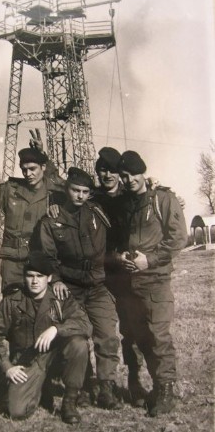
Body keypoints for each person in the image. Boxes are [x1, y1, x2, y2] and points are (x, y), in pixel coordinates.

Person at [39, 167, 122, 410]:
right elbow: (47, 256)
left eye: (85, 191)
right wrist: (56, 280)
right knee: (77, 337)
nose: (80, 196)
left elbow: (119, 196)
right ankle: (83, 388)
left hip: (97, 285)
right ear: (66, 190)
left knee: (107, 334)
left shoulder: (98, 212)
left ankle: (105, 387)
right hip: (70, 287)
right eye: (75, 190)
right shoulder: (52, 219)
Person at [115, 150, 188, 417]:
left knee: (159, 337)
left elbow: (178, 238)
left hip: (155, 280)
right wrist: (120, 255)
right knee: (137, 338)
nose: (129, 179)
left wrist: (151, 260)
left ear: (143, 172)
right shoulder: (124, 204)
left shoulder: (162, 198)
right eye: (124, 175)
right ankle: (152, 387)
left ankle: (166, 391)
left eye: (133, 173)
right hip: (130, 283)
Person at [0, 251, 92, 424]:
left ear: (49, 278)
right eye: (30, 276)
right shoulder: (12, 301)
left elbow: (85, 324)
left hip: (56, 357)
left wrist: (56, 329)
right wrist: (7, 367)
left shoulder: (60, 298)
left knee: (79, 344)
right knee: (17, 411)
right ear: (24, 277)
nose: (34, 281)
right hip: (28, 360)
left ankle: (70, 401)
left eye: (40, 276)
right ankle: (42, 387)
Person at [0, 129, 64, 294]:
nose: (28, 174)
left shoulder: (52, 190)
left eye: (33, 169)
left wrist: (43, 154)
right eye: (24, 169)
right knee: (12, 308)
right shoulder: (10, 189)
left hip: (39, 258)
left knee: (40, 307)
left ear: (43, 167)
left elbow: (71, 188)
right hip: (12, 261)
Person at [94, 147, 145, 407]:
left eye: (112, 170)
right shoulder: (92, 200)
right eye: (102, 170)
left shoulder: (130, 199)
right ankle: (107, 386)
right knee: (105, 333)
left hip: (126, 276)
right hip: (103, 273)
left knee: (131, 331)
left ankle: (135, 383)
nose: (107, 175)